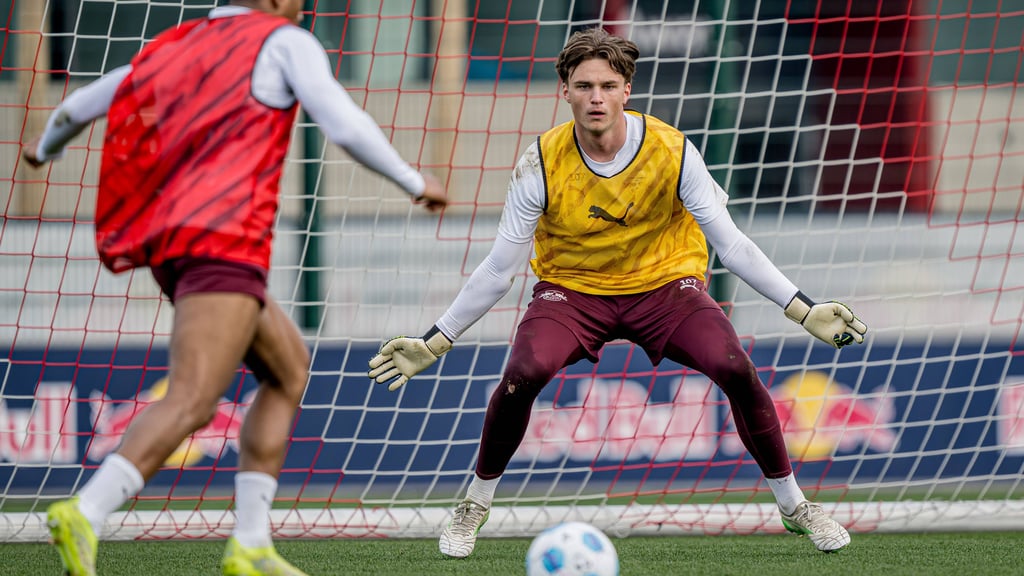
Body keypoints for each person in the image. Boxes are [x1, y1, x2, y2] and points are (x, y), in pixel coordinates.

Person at [368, 27, 866, 558]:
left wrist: (801, 308)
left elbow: (732, 245)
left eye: (608, 85)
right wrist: (437, 340)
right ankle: (474, 505)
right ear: (565, 90)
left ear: (628, 89)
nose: (596, 97)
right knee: (523, 374)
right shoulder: (539, 161)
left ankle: (795, 507)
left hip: (666, 287)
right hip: (573, 293)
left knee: (734, 367)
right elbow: (499, 269)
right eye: (583, 85)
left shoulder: (673, 149)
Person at [23, 1, 448, 575]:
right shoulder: (283, 41)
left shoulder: (169, 46)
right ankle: (86, 512)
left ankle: (250, 543)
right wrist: (414, 181)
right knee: (195, 397)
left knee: (288, 370)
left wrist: (41, 151)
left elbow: (74, 108)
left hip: (172, 242)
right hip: (220, 242)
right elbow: (343, 124)